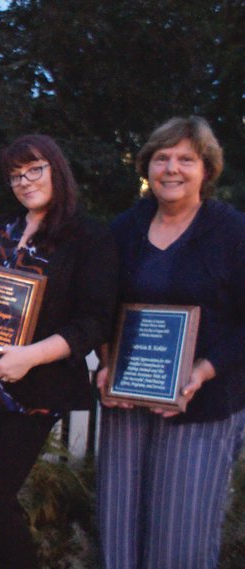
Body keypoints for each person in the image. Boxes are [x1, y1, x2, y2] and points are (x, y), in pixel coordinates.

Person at [0, 135, 118, 569]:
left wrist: (29, 356)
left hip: (33, 391)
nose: (24, 181)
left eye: (34, 170)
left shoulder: (88, 237)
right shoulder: (0, 227)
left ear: (56, 169)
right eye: (15, 175)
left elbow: (93, 322)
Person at [95, 116, 245, 569]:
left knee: (181, 535)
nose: (172, 169)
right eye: (162, 158)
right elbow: (101, 305)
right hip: (126, 401)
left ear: (207, 169)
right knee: (118, 526)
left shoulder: (232, 232)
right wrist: (105, 362)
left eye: (186, 158)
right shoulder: (124, 229)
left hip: (203, 403)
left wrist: (203, 370)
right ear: (147, 167)